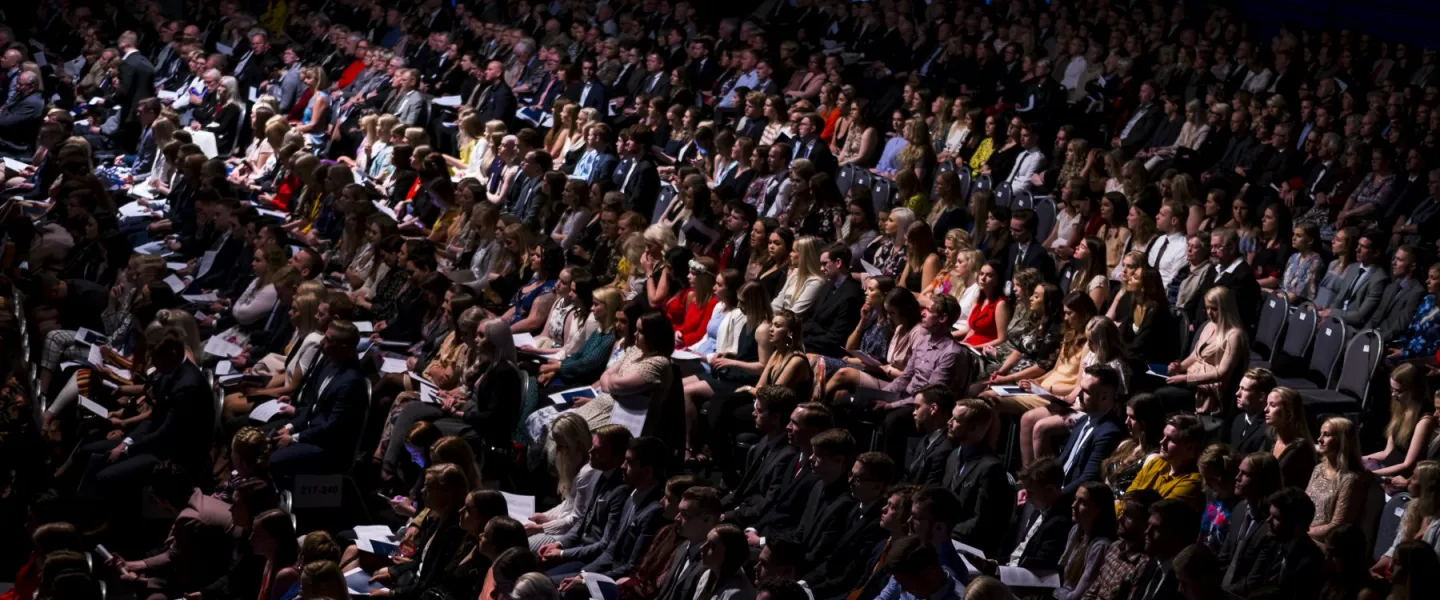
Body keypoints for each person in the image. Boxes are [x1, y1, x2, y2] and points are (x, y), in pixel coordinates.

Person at [1159, 286, 1249, 415]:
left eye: (1214, 309)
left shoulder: (1234, 335)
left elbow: (1222, 373)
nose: (1209, 313)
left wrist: (1186, 378)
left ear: (1225, 308)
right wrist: (1179, 367)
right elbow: (1195, 356)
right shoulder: (1209, 325)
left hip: (1208, 389)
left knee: (1161, 395)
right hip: (1193, 378)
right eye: (1207, 308)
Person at [944, 399, 1015, 557]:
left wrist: (944, 532)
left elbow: (982, 521)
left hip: (968, 548)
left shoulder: (990, 468)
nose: (949, 422)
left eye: (956, 419)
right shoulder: (952, 457)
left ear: (974, 428)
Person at [1306, 417, 1368, 545]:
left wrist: (1303, 533)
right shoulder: (1318, 469)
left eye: (1327, 435)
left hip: (1325, 544)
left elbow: (1337, 525)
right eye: (1320, 434)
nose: (1319, 439)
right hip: (1302, 534)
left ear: (1342, 440)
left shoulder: (1349, 479)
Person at [1124, 414, 1204, 511]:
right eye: (1163, 436)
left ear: (1190, 447)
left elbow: (1158, 514)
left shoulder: (1193, 482)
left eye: (1170, 440)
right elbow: (1126, 498)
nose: (1162, 442)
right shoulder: (1155, 463)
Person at [1054, 482, 1117, 600]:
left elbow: (1079, 593)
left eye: (1082, 502)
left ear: (1098, 509)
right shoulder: (1077, 531)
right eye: (1075, 500)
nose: (1074, 505)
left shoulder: (1100, 546)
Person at [1318, 230, 1389, 327]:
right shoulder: (1353, 267)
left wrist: (1332, 313)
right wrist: (1327, 317)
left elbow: (1360, 316)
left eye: (1363, 247)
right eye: (1358, 245)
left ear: (1376, 253)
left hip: (1352, 327)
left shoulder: (1379, 279)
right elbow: (1338, 300)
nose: (1357, 249)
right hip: (1336, 319)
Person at [1263, 488, 1325, 599]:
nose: (1268, 520)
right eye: (1270, 515)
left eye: (1276, 517)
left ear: (1297, 526)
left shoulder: (1309, 564)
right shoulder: (1275, 542)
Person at [1230, 368, 1277, 455]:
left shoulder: (1269, 430)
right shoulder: (1238, 419)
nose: (1237, 393)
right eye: (1239, 388)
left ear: (1261, 396)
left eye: (1244, 389)